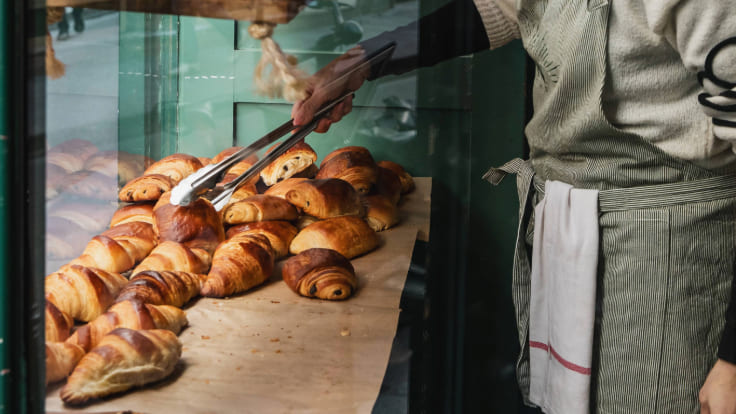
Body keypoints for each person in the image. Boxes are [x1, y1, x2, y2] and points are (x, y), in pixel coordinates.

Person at [291, 0, 736, 413]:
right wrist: (363, 61)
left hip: (669, 246)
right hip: (577, 221)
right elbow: (499, 9)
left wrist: (733, 361)